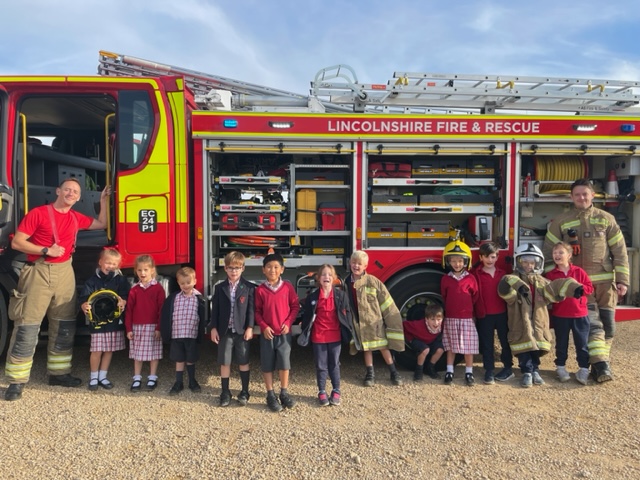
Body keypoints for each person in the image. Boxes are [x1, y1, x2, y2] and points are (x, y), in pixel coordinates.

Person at [4, 178, 111, 401]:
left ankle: (59, 374)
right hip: (38, 271)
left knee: (64, 324)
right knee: (27, 325)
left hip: (65, 271)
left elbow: (101, 224)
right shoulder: (39, 213)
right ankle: (16, 381)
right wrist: (45, 249)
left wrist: (104, 200)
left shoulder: (75, 217)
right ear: (58, 191)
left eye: (75, 192)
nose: (71, 193)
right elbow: (18, 243)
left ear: (79, 197)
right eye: (68, 190)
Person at [543, 178, 629, 383]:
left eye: (585, 194)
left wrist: (622, 280)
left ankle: (599, 363)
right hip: (579, 287)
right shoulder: (562, 221)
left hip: (606, 283)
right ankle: (601, 367)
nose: (581, 197)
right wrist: (557, 283)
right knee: (593, 326)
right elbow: (549, 253)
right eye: (577, 194)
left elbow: (620, 251)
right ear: (571, 197)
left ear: (592, 195)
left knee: (609, 327)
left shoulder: (606, 219)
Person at [498, 243, 584, 388]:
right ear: (518, 262)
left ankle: (535, 370)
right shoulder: (512, 279)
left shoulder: (542, 281)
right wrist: (516, 286)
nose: (528, 265)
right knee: (524, 346)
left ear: (538, 263)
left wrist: (572, 288)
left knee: (536, 346)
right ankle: (526, 372)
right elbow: (505, 291)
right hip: (520, 321)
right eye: (524, 262)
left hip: (538, 322)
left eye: (532, 262)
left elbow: (554, 289)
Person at [345, 250, 404, 387]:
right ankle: (370, 373)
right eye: (354, 263)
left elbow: (386, 302)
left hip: (374, 322)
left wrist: (392, 321)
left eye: (360, 264)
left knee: (383, 347)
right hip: (360, 323)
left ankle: (393, 372)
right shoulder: (347, 282)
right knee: (367, 348)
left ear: (365, 266)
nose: (356, 266)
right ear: (350, 263)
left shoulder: (373, 282)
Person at [301, 264, 354, 407]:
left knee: (334, 364)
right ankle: (322, 390)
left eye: (330, 275)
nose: (327, 277)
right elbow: (307, 316)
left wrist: (348, 329)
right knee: (321, 365)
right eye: (324, 274)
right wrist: (305, 329)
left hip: (335, 335)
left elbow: (348, 313)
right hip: (318, 336)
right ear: (318, 278)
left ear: (335, 278)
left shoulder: (341, 295)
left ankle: (336, 390)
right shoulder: (313, 296)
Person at [79, 247, 130, 391]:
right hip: (97, 322)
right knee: (96, 351)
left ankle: (103, 376)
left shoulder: (121, 280)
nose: (111, 266)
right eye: (108, 263)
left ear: (118, 265)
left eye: (114, 264)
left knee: (109, 350)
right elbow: (84, 298)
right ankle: (93, 377)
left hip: (113, 321)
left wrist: (123, 302)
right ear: (100, 262)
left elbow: (126, 296)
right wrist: (84, 305)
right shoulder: (92, 281)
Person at [208, 251, 255, 407]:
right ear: (225, 268)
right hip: (225, 331)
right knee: (225, 362)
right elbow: (215, 310)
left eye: (237, 267)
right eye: (230, 268)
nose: (233, 271)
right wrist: (213, 327)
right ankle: (225, 392)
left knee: (243, 361)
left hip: (241, 332)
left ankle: (245, 391)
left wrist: (250, 327)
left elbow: (251, 310)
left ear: (243, 268)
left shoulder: (248, 287)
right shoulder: (220, 288)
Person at [254, 252, 300, 412]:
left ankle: (284, 392)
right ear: (263, 270)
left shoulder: (287, 287)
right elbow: (257, 311)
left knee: (284, 364)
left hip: (284, 335)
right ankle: (270, 394)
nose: (272, 270)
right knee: (267, 365)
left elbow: (295, 307)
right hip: (268, 334)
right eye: (269, 267)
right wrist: (263, 326)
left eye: (276, 267)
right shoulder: (260, 290)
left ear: (282, 269)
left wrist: (288, 322)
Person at [545, 242, 593, 385]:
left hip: (580, 315)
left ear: (569, 255)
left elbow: (590, 289)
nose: (557, 256)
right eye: (555, 253)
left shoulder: (579, 272)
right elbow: (548, 293)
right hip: (560, 315)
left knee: (582, 344)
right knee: (561, 343)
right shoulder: (551, 274)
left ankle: (584, 369)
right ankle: (560, 368)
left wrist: (577, 287)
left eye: (560, 253)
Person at [441, 239, 483, 387]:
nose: (457, 264)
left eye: (460, 261)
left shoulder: (471, 279)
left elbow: (475, 296)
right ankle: (449, 371)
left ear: (466, 261)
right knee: (451, 346)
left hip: (466, 318)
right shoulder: (446, 279)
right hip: (451, 317)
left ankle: (469, 372)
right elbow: (444, 295)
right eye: (453, 261)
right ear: (448, 261)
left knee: (468, 347)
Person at [471, 242, 513, 384]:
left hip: (502, 314)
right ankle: (489, 370)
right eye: (486, 257)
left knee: (505, 342)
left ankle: (508, 367)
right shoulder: (476, 274)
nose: (490, 260)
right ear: (481, 257)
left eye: (493, 257)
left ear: (497, 257)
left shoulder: (503, 274)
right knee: (487, 344)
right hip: (484, 315)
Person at [161, 267, 206, 396]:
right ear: (178, 282)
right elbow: (167, 315)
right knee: (179, 359)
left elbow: (202, 317)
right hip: (177, 334)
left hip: (191, 335)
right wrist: (166, 333)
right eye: (182, 283)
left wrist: (201, 334)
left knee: (191, 359)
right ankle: (178, 382)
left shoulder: (199, 298)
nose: (185, 285)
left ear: (194, 281)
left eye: (188, 282)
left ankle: (192, 381)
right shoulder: (173, 298)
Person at [125, 254, 166, 392]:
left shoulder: (158, 288)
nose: (142, 273)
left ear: (152, 270)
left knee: (153, 354)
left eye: (145, 270)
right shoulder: (134, 290)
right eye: (139, 270)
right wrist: (129, 328)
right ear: (135, 271)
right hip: (137, 326)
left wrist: (159, 327)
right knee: (138, 354)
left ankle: (152, 377)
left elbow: (162, 310)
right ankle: (137, 378)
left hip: (153, 326)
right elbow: (129, 310)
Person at [402, 303, 445, 381]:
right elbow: (404, 325)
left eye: (439, 319)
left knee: (440, 349)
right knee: (425, 350)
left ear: (442, 318)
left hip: (430, 341)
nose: (436, 323)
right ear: (426, 319)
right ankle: (419, 370)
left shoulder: (442, 326)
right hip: (417, 340)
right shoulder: (418, 326)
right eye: (432, 319)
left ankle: (430, 368)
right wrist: (409, 338)